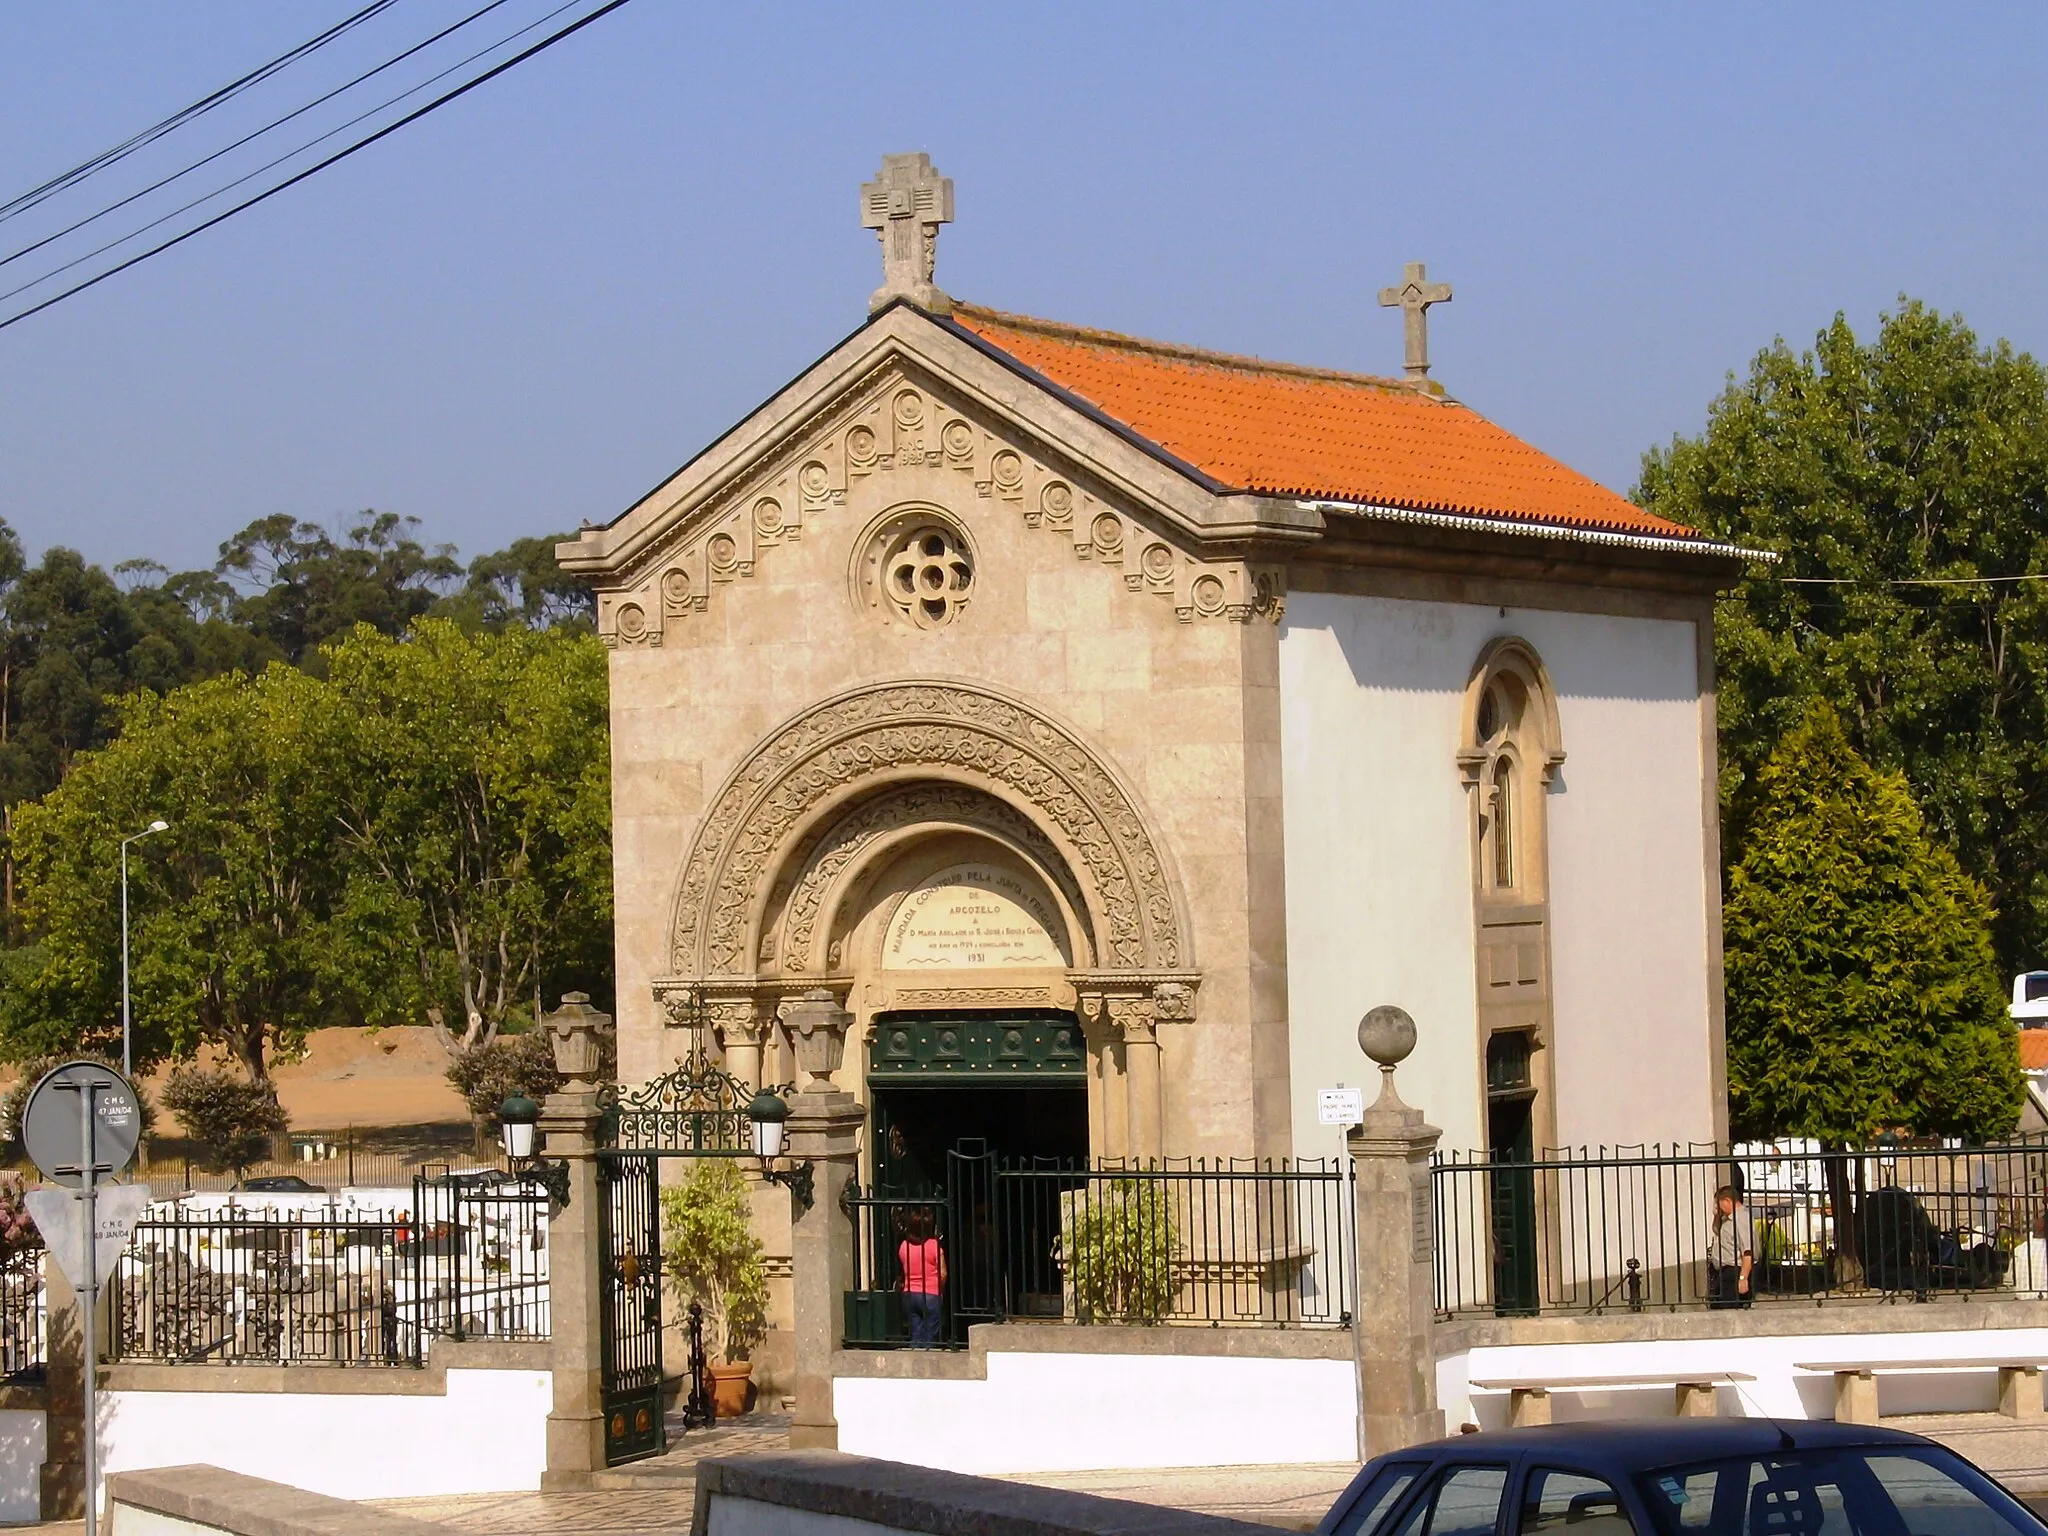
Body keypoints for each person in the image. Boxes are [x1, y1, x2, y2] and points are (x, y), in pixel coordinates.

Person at [898, 1204, 946, 1347]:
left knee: (916, 1333)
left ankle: (916, 1358)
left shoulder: (904, 1246)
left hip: (909, 1294)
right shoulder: (934, 1245)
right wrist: (940, 1289)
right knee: (930, 1336)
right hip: (931, 1294)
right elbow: (943, 1273)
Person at [1708, 1184, 1754, 1309]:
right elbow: (1716, 1230)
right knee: (1718, 1308)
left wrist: (1743, 1278)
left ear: (1728, 1201)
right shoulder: (1728, 1219)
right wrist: (1716, 1215)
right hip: (1723, 1272)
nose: (1718, 1207)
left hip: (1734, 1271)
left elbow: (1748, 1251)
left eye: (1719, 1204)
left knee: (1729, 1309)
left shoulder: (1741, 1219)